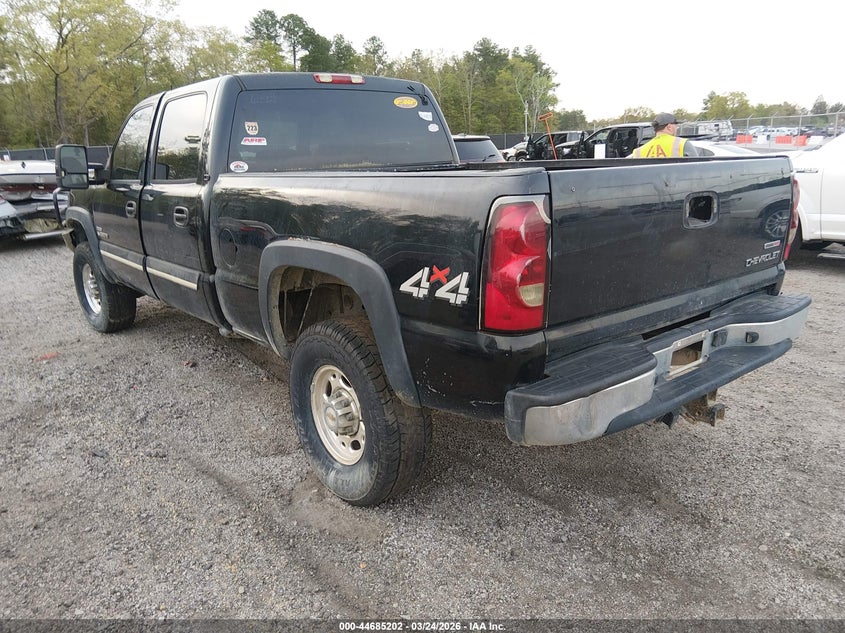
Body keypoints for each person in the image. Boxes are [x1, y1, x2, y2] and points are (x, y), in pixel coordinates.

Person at [630, 112, 699, 158]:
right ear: (669, 127)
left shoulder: (638, 152)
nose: (677, 128)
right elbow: (696, 170)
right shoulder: (682, 144)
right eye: (675, 126)